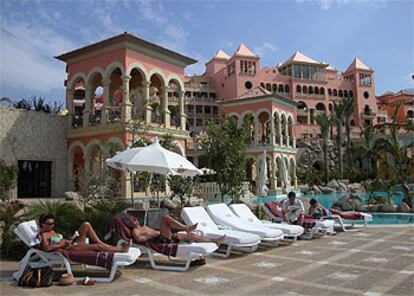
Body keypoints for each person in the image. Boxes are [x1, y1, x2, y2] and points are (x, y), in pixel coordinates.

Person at [112, 214, 225, 246]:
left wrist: (157, 232)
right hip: (160, 240)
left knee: (191, 236)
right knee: (165, 218)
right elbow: (140, 239)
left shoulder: (144, 226)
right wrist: (154, 234)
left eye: (134, 219)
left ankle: (215, 240)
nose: (134, 221)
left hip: (164, 237)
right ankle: (186, 228)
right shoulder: (135, 232)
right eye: (131, 221)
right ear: (130, 225)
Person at [38, 213, 130, 253]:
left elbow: (59, 240)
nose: (52, 225)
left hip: (72, 243)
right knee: (97, 247)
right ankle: (120, 249)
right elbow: (46, 248)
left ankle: (103, 243)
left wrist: (68, 239)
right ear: (42, 224)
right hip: (69, 249)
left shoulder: (52, 231)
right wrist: (62, 244)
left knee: (86, 225)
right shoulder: (44, 234)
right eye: (49, 224)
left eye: (53, 223)